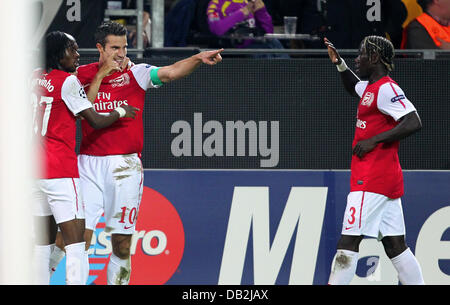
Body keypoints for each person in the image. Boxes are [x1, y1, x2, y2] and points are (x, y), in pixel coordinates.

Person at [50, 21, 223, 285]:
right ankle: (39, 275)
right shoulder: (80, 75)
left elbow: (171, 72)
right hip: (87, 165)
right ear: (100, 48)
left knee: (121, 243)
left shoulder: (138, 74)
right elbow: (87, 108)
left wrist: (197, 58)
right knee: (73, 239)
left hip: (125, 167)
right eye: (114, 48)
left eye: (124, 47)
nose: (121, 53)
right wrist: (101, 74)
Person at [31, 31, 138, 285]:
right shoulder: (67, 82)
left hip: (32, 170)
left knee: (41, 245)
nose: (78, 55)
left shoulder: (31, 76)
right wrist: (121, 110)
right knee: (77, 244)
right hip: (59, 170)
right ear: (59, 53)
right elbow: (95, 120)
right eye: (73, 49)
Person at [324, 35, 425, 285]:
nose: (357, 59)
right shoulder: (371, 88)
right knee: (395, 246)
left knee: (349, 240)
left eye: (362, 54)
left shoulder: (387, 88)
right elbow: (352, 86)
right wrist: (339, 64)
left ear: (376, 57)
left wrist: (374, 140)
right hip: (384, 178)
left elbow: (413, 121)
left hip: (371, 178)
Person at [206, 0, 288, 57]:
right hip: (234, 47)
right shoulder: (216, 3)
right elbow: (216, 29)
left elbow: (268, 32)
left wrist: (262, 11)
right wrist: (241, 13)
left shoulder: (248, 2)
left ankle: (291, 77)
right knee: (262, 51)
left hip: (255, 43)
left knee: (274, 42)